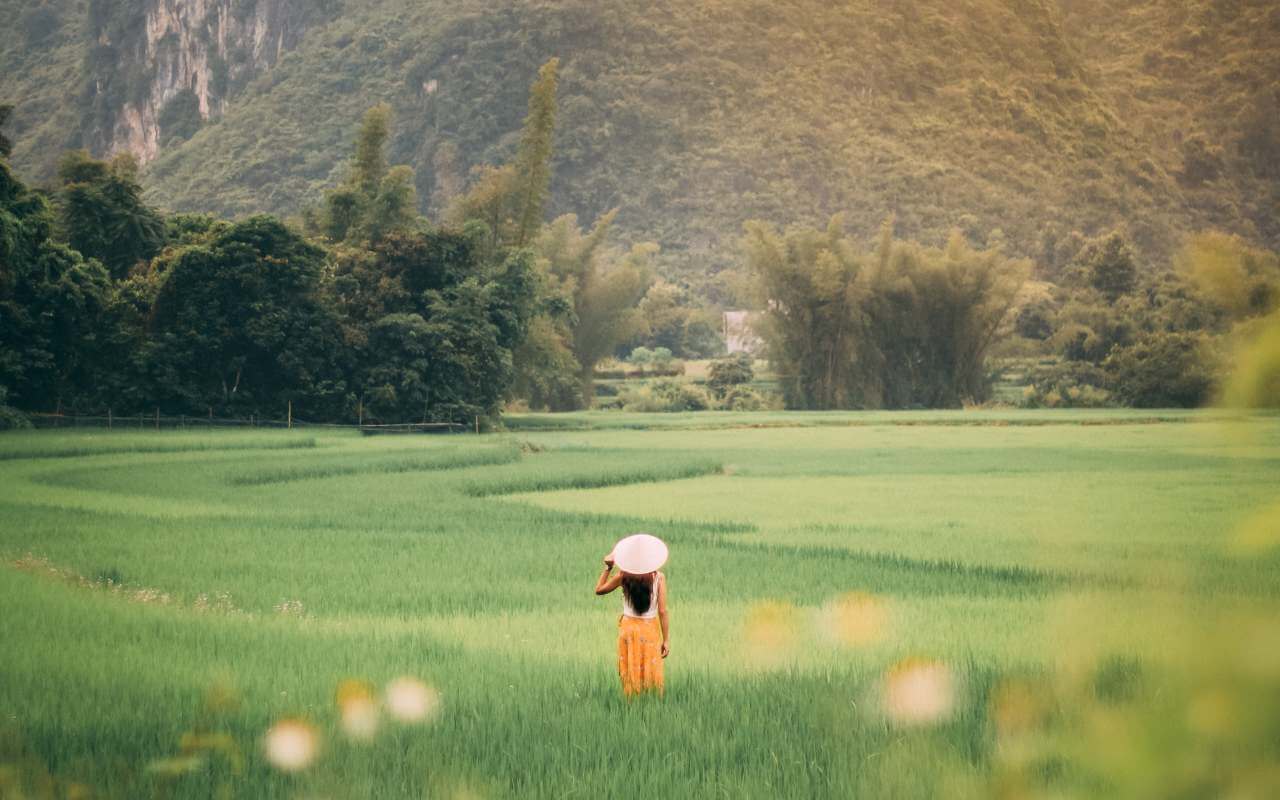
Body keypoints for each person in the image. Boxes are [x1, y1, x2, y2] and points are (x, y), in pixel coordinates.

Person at [594, 533, 669, 697]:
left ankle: (631, 702)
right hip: (649, 630)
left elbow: (599, 590)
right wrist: (666, 640)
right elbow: (662, 611)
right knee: (650, 668)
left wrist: (608, 568)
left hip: (628, 630)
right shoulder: (659, 577)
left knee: (631, 668)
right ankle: (652, 702)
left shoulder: (623, 575)